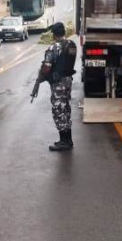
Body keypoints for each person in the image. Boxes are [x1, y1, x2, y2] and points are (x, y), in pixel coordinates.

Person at [38, 22, 78, 151]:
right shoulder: (71, 44)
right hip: (67, 81)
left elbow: (47, 66)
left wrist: (42, 77)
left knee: (58, 110)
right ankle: (68, 139)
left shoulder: (54, 48)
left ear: (54, 34)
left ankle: (64, 141)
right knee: (65, 108)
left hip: (58, 82)